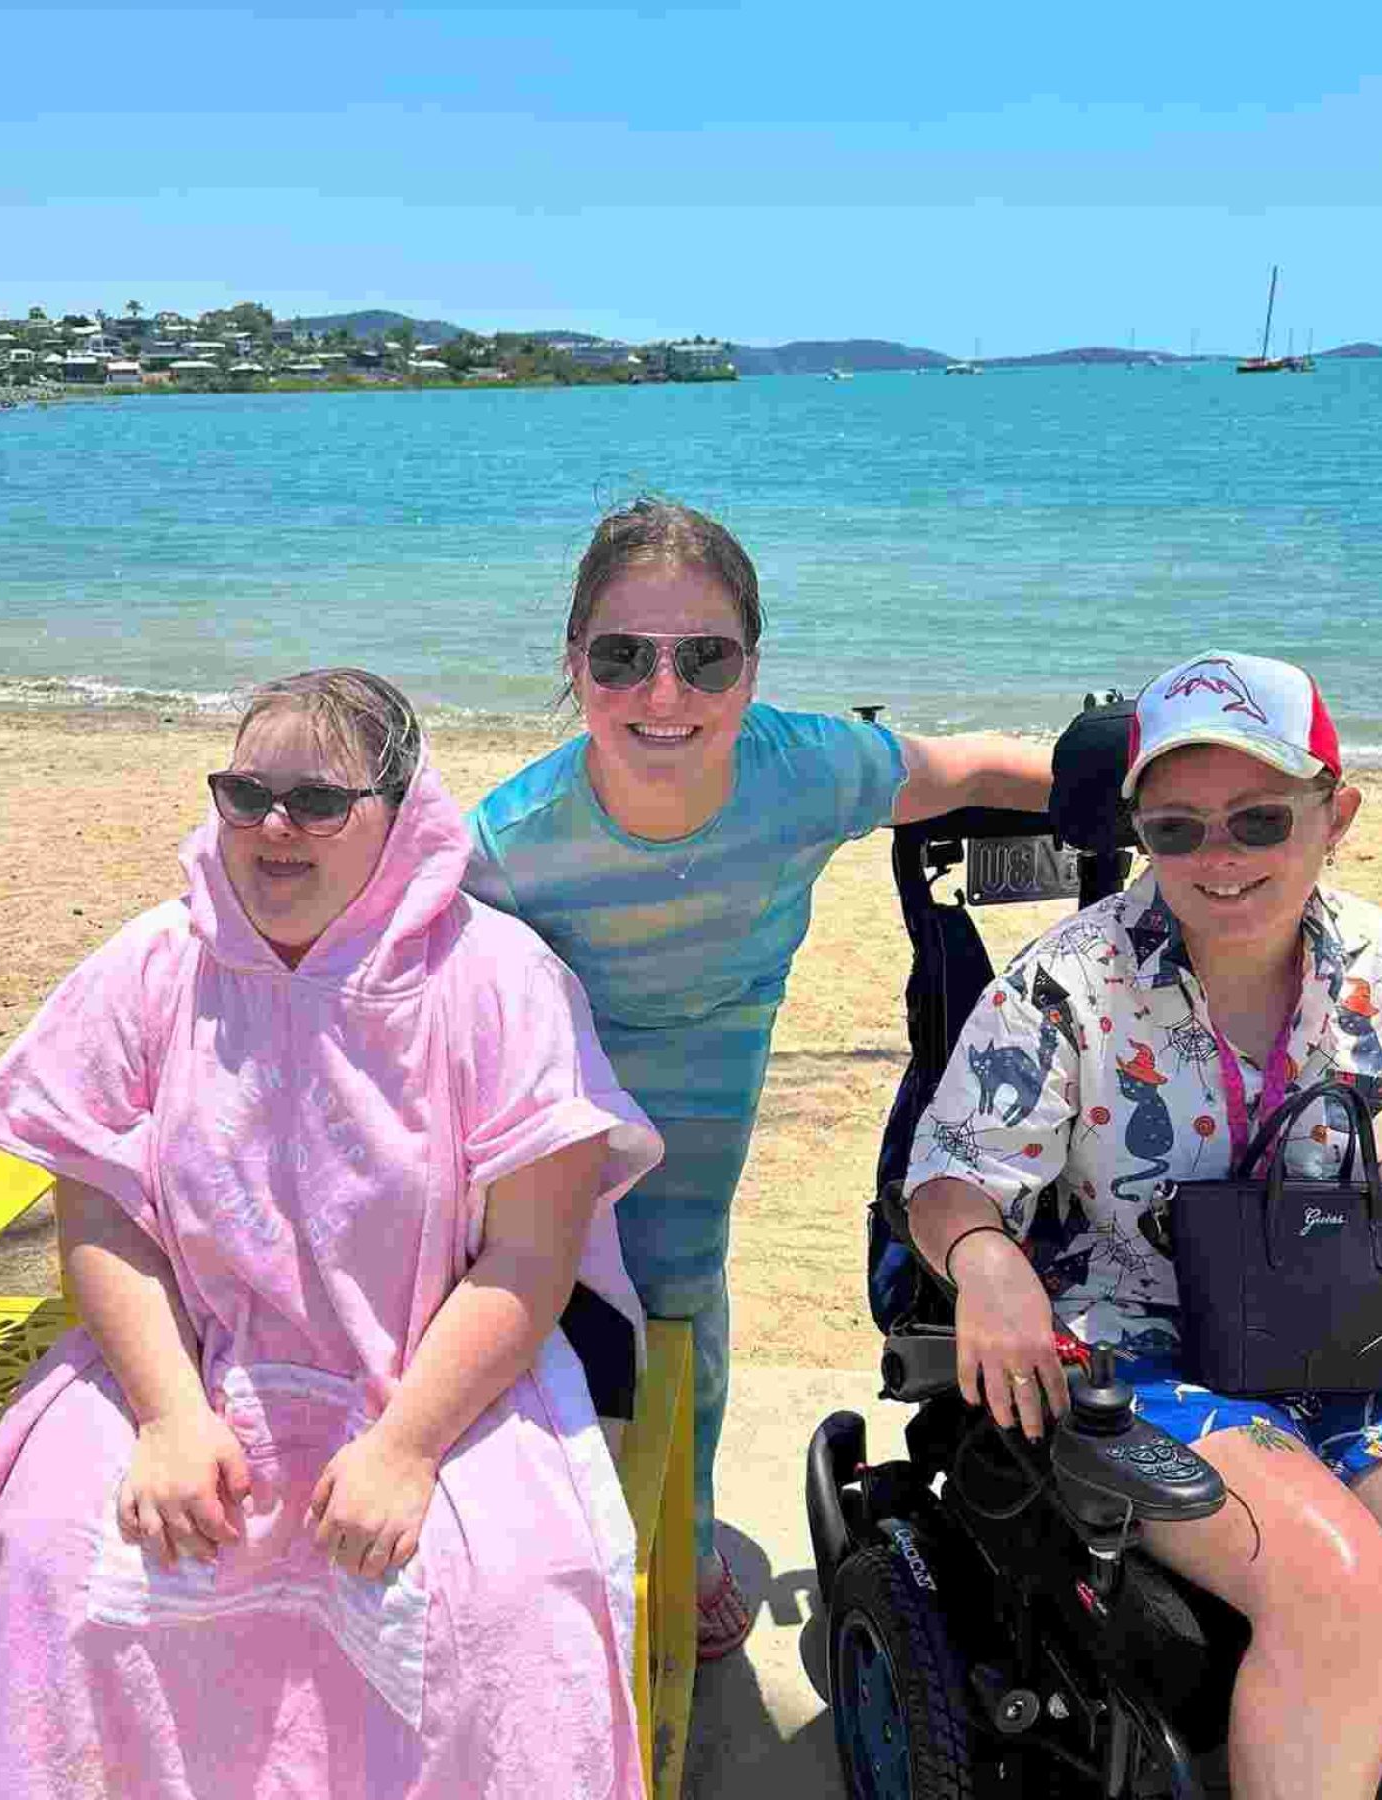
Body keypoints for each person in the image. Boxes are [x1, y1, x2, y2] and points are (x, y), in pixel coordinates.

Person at [0, 669, 661, 1799]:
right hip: (186, 1360)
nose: (276, 827)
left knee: (518, 1598)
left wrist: (407, 1447)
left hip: (439, 1378)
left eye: (320, 803)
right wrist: (172, 1417)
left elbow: (529, 1255)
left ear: (400, 811)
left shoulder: (497, 979)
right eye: (245, 792)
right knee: (46, 1558)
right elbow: (99, 1218)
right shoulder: (155, 965)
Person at [905, 649, 1382, 1800]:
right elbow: (955, 1175)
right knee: (1331, 1582)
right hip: (1146, 1358)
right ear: (1141, 833)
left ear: (1333, 814)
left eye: (1259, 821)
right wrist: (986, 1258)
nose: (1222, 860)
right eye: (1179, 829)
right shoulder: (1069, 985)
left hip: (1363, 1347)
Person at [464, 499, 1054, 1656]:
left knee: (687, 1302)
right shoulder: (511, 839)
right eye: (623, 658)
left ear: (752, 670)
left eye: (706, 659)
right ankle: (568, 1528)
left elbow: (965, 768)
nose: (665, 694)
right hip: (570, 1084)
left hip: (715, 1075)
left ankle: (680, 1540)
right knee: (561, 1308)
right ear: (574, 665)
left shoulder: (806, 770)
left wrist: (1156, 775)